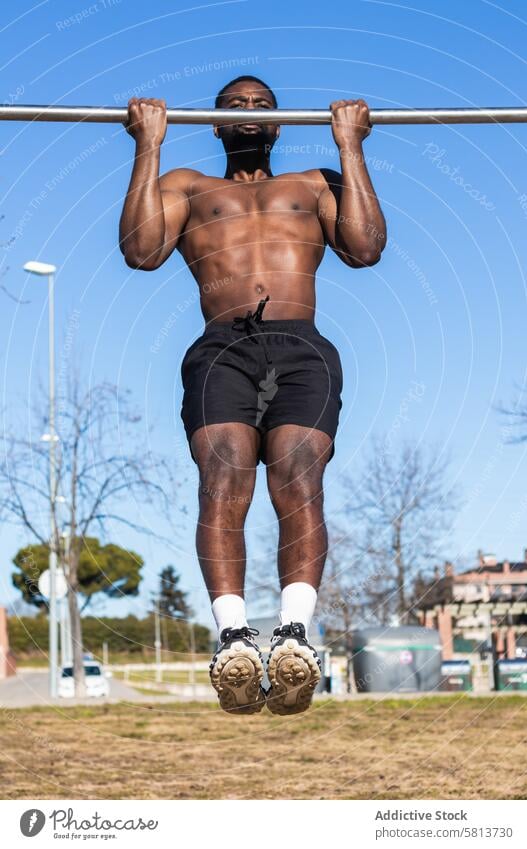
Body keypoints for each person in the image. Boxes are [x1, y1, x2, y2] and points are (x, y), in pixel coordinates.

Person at [120, 75, 386, 715]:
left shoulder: (318, 183)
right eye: (233, 106)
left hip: (302, 347)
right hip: (222, 349)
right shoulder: (188, 186)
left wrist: (351, 146)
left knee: (297, 474)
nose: (247, 113)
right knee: (225, 473)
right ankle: (235, 639)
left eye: (261, 106)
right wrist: (147, 146)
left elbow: (366, 248)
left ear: (280, 122)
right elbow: (140, 251)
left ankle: (294, 635)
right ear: (212, 124)